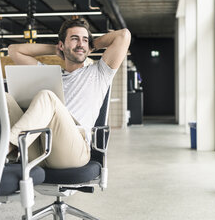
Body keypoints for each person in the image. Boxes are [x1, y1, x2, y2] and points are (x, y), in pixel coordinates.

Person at [7, 18, 131, 169]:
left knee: (47, 97)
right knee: (5, 98)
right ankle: (12, 147)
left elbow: (124, 35)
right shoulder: (50, 74)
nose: (80, 43)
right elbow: (13, 50)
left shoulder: (99, 72)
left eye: (84, 39)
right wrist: (55, 49)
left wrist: (90, 46)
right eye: (74, 39)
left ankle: (6, 148)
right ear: (62, 44)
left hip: (74, 151)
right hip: (40, 148)